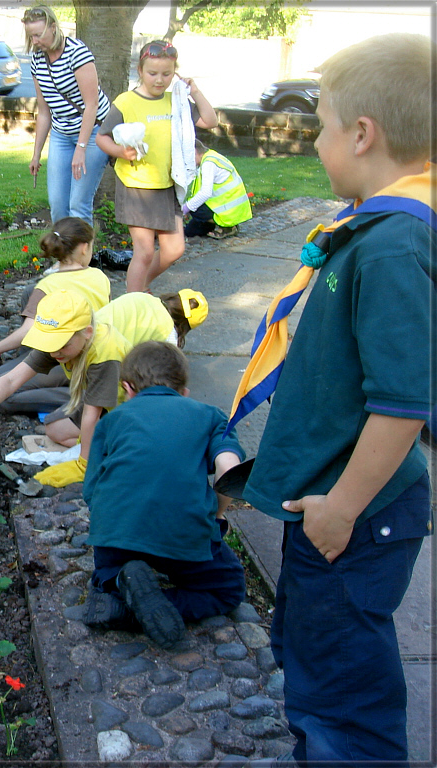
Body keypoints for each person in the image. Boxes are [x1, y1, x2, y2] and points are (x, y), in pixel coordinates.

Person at [239, 34, 434, 768]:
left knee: (343, 701)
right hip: (334, 504)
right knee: (312, 657)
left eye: (320, 125)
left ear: (362, 133)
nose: (314, 140)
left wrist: (341, 507)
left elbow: (402, 404)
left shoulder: (390, 247)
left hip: (355, 515)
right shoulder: (375, 231)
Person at [74, 341, 245, 649]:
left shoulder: (111, 421)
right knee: (228, 588)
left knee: (108, 576)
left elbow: (92, 490)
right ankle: (151, 606)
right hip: (184, 532)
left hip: (117, 534)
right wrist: (217, 519)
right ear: (184, 392)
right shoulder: (210, 416)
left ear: (127, 388)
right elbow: (228, 470)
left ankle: (119, 589)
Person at [0, 289, 131, 488]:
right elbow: (12, 379)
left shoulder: (105, 355)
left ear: (87, 333)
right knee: (55, 429)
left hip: (122, 406)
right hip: (94, 395)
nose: (55, 351)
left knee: (104, 440)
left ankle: (111, 448)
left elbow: (92, 414)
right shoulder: (59, 341)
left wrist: (84, 464)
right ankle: (102, 444)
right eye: (50, 343)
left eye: (62, 345)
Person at [95, 39, 217, 293]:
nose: (159, 80)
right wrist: (120, 152)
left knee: (174, 249)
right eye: (152, 73)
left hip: (167, 185)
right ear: (140, 71)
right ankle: (133, 303)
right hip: (136, 187)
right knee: (145, 252)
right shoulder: (126, 101)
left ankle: (139, 286)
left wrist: (194, 90)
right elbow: (101, 137)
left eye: (167, 74)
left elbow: (210, 120)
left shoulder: (177, 101)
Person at [0, 287, 209, 415]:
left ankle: (74, 393)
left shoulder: (141, 296)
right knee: (6, 389)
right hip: (77, 349)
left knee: (4, 383)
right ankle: (72, 393)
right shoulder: (170, 336)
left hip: (96, 367)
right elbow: (165, 376)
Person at [21, 5, 111, 225]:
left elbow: (91, 106)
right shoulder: (37, 61)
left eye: (38, 35)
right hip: (62, 134)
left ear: (53, 27)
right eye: (30, 36)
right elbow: (44, 112)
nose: (34, 41)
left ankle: (82, 259)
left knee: (78, 205)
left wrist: (81, 149)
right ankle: (65, 257)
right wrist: (36, 154)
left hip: (93, 133)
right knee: (58, 206)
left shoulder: (77, 52)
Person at [0, 217, 110, 361]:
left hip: (66, 356)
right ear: (84, 248)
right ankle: (26, 358)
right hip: (97, 348)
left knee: (3, 376)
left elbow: (28, 330)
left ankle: (27, 360)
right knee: (30, 291)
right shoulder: (100, 276)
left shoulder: (47, 286)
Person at [182, 139, 252, 239]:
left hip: (228, 210)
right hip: (227, 207)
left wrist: (185, 208)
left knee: (194, 208)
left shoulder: (208, 163)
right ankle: (219, 224)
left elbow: (205, 193)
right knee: (190, 231)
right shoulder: (210, 157)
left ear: (195, 152)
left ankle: (227, 227)